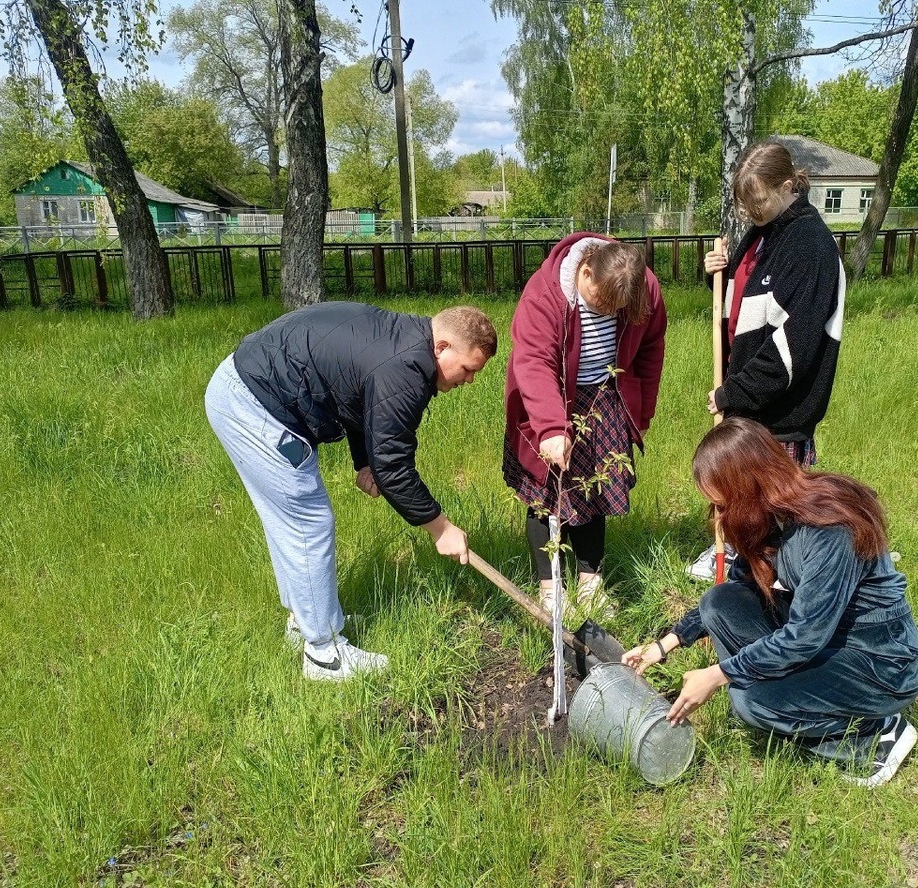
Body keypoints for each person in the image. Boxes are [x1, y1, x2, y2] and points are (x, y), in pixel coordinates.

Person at [205, 302, 498, 681]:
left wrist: (365, 462)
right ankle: (324, 655)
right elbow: (394, 466)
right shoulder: (405, 369)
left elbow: (360, 395)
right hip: (253, 403)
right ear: (441, 347)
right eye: (469, 369)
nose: (470, 380)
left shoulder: (404, 342)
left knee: (292, 520)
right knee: (307, 521)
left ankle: (307, 620)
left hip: (243, 384)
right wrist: (440, 529)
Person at [628, 418, 918, 788]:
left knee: (751, 702)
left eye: (723, 505)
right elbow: (736, 587)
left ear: (750, 488)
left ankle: (872, 736)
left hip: (878, 663)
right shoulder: (773, 517)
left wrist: (718, 675)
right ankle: (794, 697)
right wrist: (664, 644)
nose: (719, 518)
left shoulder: (828, 530)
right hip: (830, 644)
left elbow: (804, 637)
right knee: (720, 602)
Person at [687, 141, 845, 581]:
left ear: (788, 185)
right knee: (747, 493)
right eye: (745, 204)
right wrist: (718, 274)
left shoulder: (811, 246)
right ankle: (742, 557)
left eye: (758, 201)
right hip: (751, 399)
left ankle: (792, 578)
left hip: (781, 406)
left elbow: (792, 348)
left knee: (780, 501)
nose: (751, 211)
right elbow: (742, 307)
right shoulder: (764, 231)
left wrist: (732, 392)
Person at [503, 234, 667, 615]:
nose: (609, 313)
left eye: (617, 309)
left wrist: (641, 414)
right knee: (546, 495)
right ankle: (551, 588)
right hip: (550, 397)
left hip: (605, 398)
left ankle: (590, 584)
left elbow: (650, 351)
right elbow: (533, 361)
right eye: (601, 304)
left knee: (594, 496)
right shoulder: (544, 295)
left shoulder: (643, 287)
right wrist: (550, 428)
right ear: (586, 271)